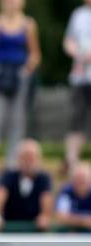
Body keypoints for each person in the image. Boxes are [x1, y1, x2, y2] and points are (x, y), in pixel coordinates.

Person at [0, 0, 41, 177]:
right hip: (0, 76)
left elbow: (35, 54)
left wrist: (26, 69)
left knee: (17, 121)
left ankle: (12, 163)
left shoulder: (28, 24)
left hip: (20, 77)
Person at [0, 139, 53, 231]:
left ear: (38, 159)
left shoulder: (44, 178)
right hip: (9, 230)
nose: (28, 162)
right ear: (18, 158)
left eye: (31, 158)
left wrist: (44, 218)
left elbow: (46, 203)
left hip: (34, 232)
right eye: (25, 157)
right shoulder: (8, 175)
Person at [62, 0, 91, 173]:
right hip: (80, 77)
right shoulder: (78, 14)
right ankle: (72, 163)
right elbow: (68, 41)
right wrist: (78, 54)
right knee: (76, 119)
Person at [55, 162, 91, 231]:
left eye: (83, 178)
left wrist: (72, 219)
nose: (81, 181)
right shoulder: (66, 192)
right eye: (78, 178)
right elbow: (60, 217)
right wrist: (84, 221)